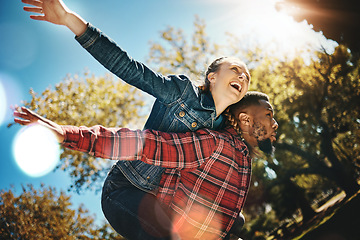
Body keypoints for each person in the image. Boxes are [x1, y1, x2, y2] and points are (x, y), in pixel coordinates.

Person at [21, 0, 251, 238]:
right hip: (127, 189)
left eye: (246, 76)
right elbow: (130, 69)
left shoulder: (225, 133)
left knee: (235, 222)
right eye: (235, 69)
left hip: (166, 201)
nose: (242, 76)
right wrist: (70, 19)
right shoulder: (182, 93)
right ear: (212, 77)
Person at [14, 91, 278, 239]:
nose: (274, 123)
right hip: (124, 192)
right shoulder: (215, 144)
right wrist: (65, 133)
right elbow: (147, 144)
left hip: (176, 214)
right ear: (244, 119)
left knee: (236, 224)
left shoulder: (242, 158)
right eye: (268, 115)